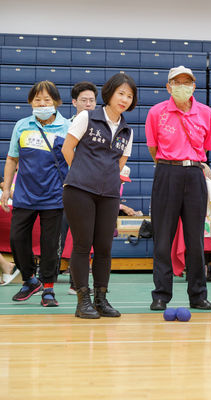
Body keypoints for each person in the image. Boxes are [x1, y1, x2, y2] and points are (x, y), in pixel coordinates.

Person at [62, 73, 136, 319]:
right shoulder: (87, 116)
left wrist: (104, 181)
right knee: (83, 245)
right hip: (79, 190)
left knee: (104, 247)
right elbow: (67, 148)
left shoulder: (127, 131)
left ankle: (101, 298)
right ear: (109, 94)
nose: (124, 99)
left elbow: (119, 164)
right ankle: (82, 300)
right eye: (120, 93)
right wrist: (83, 174)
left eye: (129, 95)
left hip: (109, 194)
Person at [145, 66, 211, 311]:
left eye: (187, 82)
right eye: (177, 82)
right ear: (168, 86)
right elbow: (153, 148)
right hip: (166, 171)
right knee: (162, 237)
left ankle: (198, 294)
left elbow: (206, 147)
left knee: (195, 239)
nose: (183, 86)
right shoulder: (156, 112)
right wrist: (170, 164)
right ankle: (161, 294)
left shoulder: (205, 113)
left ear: (194, 86)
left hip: (195, 173)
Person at [1, 81, 70, 307]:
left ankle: (48, 289)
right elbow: (12, 159)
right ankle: (30, 279)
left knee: (50, 245)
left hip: (54, 196)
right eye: (37, 100)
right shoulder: (22, 125)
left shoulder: (66, 127)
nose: (42, 104)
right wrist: (6, 190)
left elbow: (76, 162)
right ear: (30, 102)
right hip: (24, 195)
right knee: (17, 239)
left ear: (56, 103)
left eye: (47, 100)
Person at [62, 81, 99, 295]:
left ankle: (78, 283)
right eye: (83, 100)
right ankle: (48, 281)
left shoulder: (101, 125)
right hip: (68, 186)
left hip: (91, 188)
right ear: (74, 102)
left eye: (91, 100)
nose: (88, 104)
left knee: (86, 237)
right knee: (67, 237)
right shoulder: (66, 125)